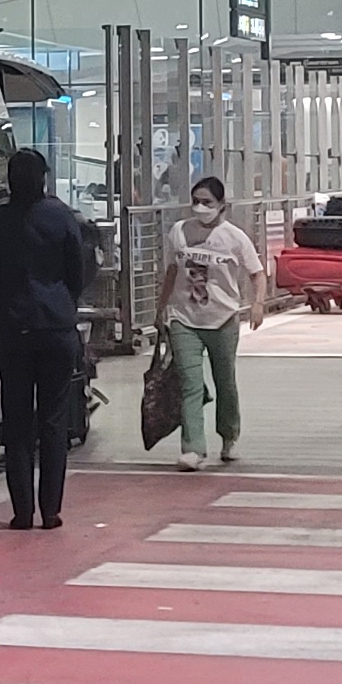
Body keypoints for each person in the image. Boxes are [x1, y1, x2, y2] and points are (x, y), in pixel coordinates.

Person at [0, 146, 91, 529]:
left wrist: (10, 305)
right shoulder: (61, 216)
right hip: (56, 326)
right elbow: (77, 273)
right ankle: (51, 510)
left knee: (17, 419)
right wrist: (61, 302)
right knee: (54, 420)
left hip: (12, 329)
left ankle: (22, 512)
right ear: (43, 178)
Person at [150, 175, 266, 472]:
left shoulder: (235, 237)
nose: (200, 207)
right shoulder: (179, 231)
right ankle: (193, 448)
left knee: (225, 381)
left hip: (222, 319)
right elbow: (172, 272)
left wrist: (258, 303)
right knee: (189, 383)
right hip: (184, 318)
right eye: (196, 202)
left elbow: (257, 273)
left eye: (207, 202)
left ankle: (229, 435)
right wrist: (161, 309)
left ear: (221, 205)